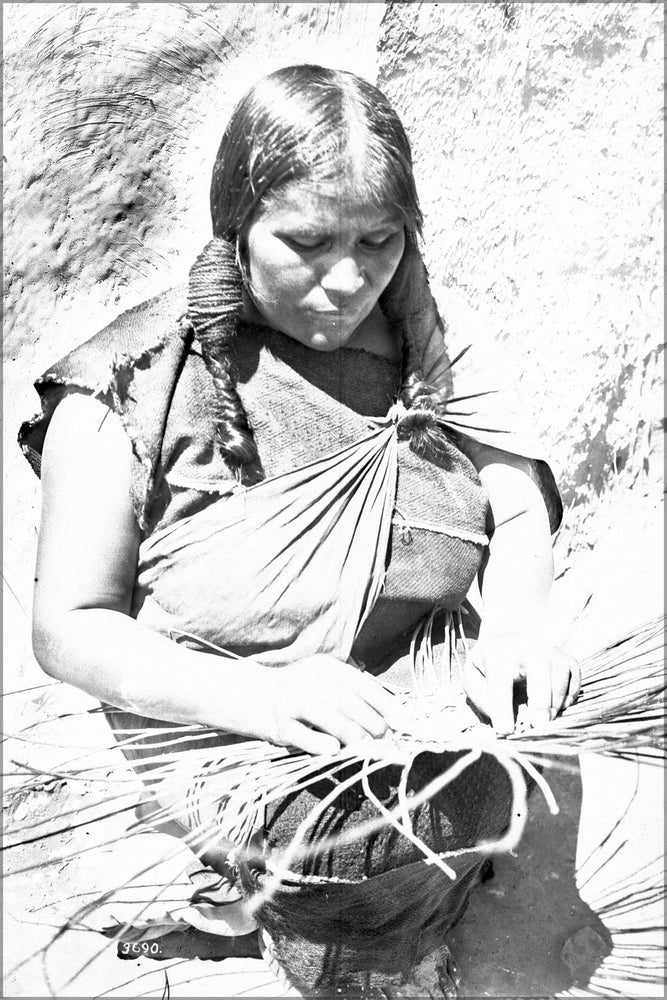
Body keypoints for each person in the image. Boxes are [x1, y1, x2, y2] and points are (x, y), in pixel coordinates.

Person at [20, 64, 580, 997]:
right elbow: (68, 627)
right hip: (218, 716)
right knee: (350, 841)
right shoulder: (132, 383)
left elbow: (517, 499)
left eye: (379, 239)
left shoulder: (428, 338)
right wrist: (266, 702)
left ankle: (324, 915)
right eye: (306, 242)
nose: (348, 279)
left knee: (461, 796)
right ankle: (312, 929)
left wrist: (519, 627)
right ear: (235, 226)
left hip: (414, 692)